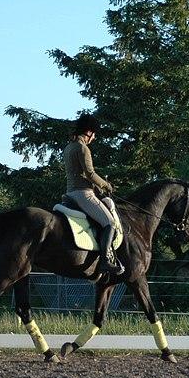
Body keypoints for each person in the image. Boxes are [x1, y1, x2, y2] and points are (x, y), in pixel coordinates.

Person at [63, 114, 122, 274]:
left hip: (70, 193)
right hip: (83, 194)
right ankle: (104, 261)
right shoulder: (83, 148)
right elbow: (90, 173)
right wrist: (106, 185)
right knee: (110, 223)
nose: (94, 138)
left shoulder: (69, 147)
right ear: (89, 132)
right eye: (94, 134)